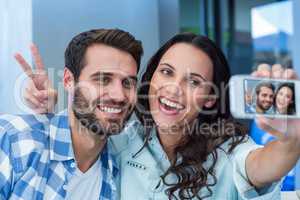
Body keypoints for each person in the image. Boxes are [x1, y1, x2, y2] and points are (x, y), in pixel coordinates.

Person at [18, 33, 300, 199]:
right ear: (150, 80)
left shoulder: (230, 150)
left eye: (193, 82)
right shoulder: (124, 138)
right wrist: (57, 108)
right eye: (166, 72)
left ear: (211, 97)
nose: (173, 89)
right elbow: (88, 131)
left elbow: (265, 165)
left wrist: (291, 139)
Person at [0, 29, 143, 200]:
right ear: (68, 80)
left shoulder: (119, 168)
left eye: (128, 83)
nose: (119, 96)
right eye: (103, 79)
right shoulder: (13, 139)